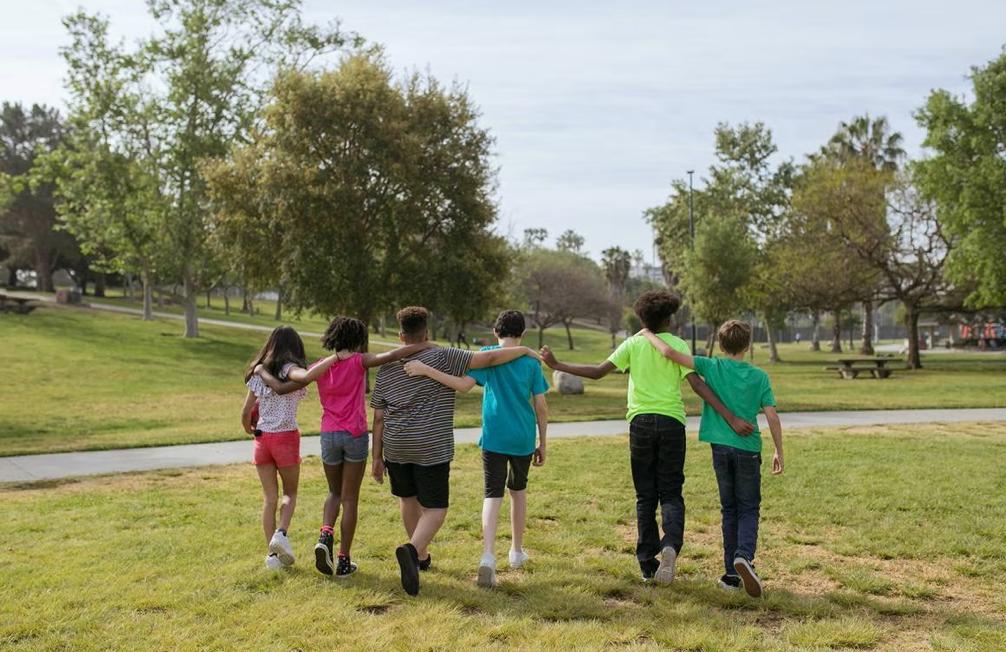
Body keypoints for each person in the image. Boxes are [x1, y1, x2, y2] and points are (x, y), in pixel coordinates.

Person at [540, 290, 754, 584]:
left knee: (645, 495)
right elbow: (698, 386)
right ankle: (670, 546)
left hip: (639, 423)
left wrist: (557, 365)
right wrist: (730, 417)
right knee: (671, 492)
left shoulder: (633, 343)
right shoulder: (677, 344)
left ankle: (647, 562)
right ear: (668, 319)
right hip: (671, 424)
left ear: (643, 317)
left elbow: (597, 372)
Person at [370, 306, 540, 596]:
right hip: (431, 445)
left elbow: (378, 417)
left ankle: (421, 558)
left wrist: (376, 456)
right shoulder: (445, 356)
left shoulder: (386, 369)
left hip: (396, 445)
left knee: (408, 498)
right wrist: (524, 349)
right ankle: (412, 549)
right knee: (435, 508)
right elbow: (492, 357)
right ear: (426, 332)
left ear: (401, 335)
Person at [257, 316, 434, 578]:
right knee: (350, 499)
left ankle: (325, 534)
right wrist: (426, 346)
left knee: (333, 493)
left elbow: (289, 385)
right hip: (354, 435)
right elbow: (393, 354)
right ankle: (343, 559)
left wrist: (261, 370)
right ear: (358, 338)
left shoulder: (321, 365)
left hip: (329, 435)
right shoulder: (359, 361)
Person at [639, 320, 783, 597]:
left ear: (720, 344)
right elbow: (772, 416)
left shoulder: (711, 366)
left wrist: (647, 332)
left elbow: (668, 353)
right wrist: (779, 450)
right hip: (749, 449)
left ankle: (731, 575)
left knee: (729, 509)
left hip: (720, 448)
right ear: (747, 345)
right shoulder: (759, 376)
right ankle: (744, 556)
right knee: (749, 508)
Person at [241, 326, 313, 571]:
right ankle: (281, 534)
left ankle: (272, 557)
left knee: (269, 498)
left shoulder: (259, 374)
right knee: (289, 493)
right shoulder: (291, 371)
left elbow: (245, 413)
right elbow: (301, 379)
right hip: (286, 438)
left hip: (262, 441)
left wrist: (250, 428)